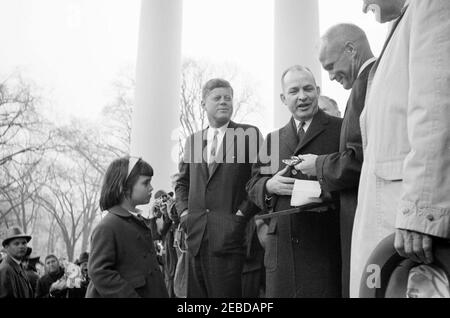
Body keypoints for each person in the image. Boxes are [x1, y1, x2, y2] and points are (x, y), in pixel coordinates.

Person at [351, 0, 450, 297]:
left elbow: (436, 109)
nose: (365, 4)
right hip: (387, 220)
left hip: (406, 228)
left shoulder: (431, 6)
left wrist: (423, 211)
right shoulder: (400, 25)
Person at [246, 66, 343, 297]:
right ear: (283, 98)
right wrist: (269, 186)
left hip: (326, 246)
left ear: (317, 91)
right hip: (283, 254)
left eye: (308, 88)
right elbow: (252, 184)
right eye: (294, 91)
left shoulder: (340, 129)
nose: (302, 96)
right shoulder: (273, 139)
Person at [295, 23, 376, 298]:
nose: (330, 77)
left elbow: (359, 160)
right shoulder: (367, 83)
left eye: (330, 66)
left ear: (351, 49)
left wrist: (317, 165)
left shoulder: (368, 85)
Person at [175, 78, 263, 298]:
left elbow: (260, 177)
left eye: (228, 98)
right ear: (204, 103)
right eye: (217, 98)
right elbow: (182, 183)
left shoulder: (249, 134)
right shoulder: (193, 141)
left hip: (231, 238)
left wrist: (241, 215)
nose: (224, 102)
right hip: (195, 238)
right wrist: (185, 213)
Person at [86, 156, 168, 298]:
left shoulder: (136, 220)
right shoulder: (107, 227)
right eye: (145, 183)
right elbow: (99, 272)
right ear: (123, 187)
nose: (151, 188)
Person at [0, 226, 34, 298]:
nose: (21, 246)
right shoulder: (5, 270)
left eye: (24, 243)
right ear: (6, 247)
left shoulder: (18, 265)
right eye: (16, 244)